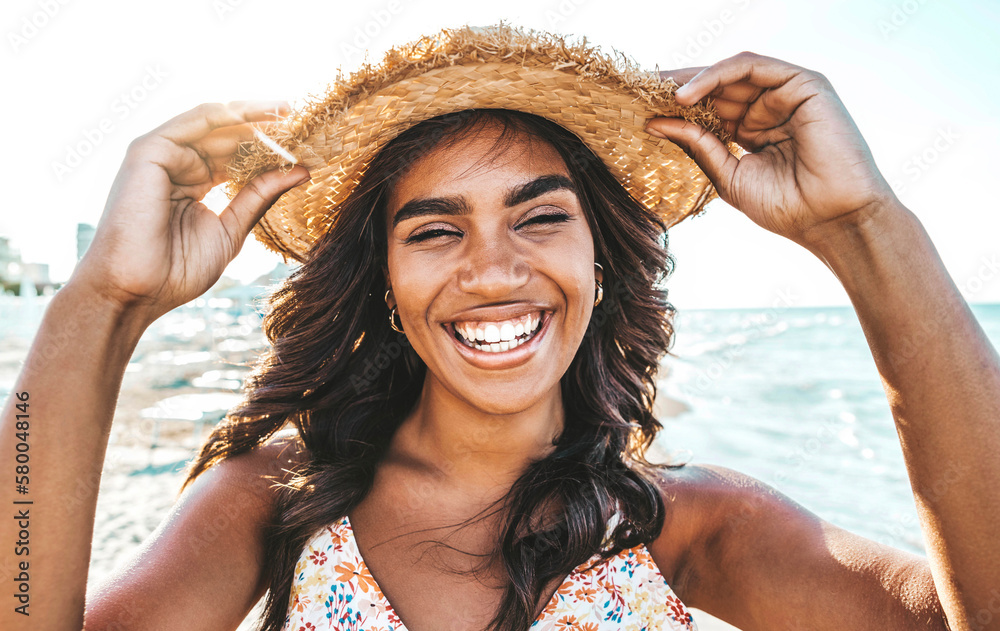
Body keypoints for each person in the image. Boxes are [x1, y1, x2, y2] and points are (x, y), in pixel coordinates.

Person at [1, 24, 997, 631]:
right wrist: (103, 304)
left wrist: (865, 232)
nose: (493, 269)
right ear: (384, 282)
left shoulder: (689, 526)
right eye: (435, 228)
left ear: (598, 260)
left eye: (540, 214)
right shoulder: (270, 504)